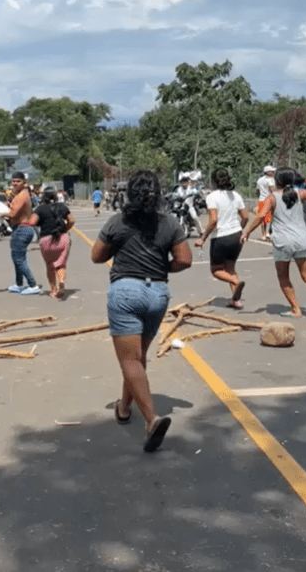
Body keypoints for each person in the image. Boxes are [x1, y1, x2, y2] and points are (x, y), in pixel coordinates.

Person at [91, 170, 192, 452]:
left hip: (125, 292)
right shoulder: (169, 222)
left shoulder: (118, 221)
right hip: (157, 293)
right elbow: (184, 260)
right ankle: (124, 408)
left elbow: (96, 256)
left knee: (130, 361)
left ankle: (151, 419)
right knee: (137, 357)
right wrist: (161, 267)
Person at [240, 167, 306, 319]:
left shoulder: (272, 197)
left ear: (277, 181)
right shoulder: (299, 193)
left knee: (283, 277)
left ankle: (295, 309)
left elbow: (260, 217)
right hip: (303, 239)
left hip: (283, 241)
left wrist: (247, 232)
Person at [193, 169, 249, 309]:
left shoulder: (212, 196)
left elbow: (213, 220)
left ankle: (235, 282)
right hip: (236, 235)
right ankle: (236, 300)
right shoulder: (235, 195)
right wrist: (239, 230)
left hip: (221, 237)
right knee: (230, 268)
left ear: (213, 182)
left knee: (216, 270)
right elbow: (245, 217)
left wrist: (203, 238)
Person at [30, 185, 75, 299]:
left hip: (46, 240)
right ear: (55, 196)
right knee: (61, 264)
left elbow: (32, 222)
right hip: (62, 238)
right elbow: (72, 220)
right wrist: (64, 229)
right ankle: (61, 282)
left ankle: (53, 290)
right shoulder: (62, 206)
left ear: (43, 197)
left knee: (49, 266)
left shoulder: (40, 208)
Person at [3, 172, 41, 295]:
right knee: (16, 257)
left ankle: (32, 285)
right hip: (19, 229)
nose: (15, 183)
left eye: (18, 181)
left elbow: (12, 214)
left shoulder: (22, 196)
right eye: (13, 181)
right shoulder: (20, 194)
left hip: (23, 229)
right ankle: (19, 284)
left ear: (24, 182)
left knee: (19, 259)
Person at [255, 165, 277, 242]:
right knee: (269, 217)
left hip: (261, 199)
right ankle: (268, 233)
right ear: (269, 172)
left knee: (262, 217)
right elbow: (272, 190)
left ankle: (263, 234)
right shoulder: (270, 180)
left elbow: (257, 190)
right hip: (269, 200)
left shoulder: (259, 180)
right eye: (272, 171)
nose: (274, 172)